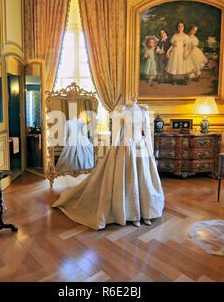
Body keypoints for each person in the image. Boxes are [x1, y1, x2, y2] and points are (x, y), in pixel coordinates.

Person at [52, 97, 165, 230]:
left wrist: (150, 151)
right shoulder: (121, 111)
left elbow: (147, 132)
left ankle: (146, 212)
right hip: (126, 148)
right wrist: (113, 149)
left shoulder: (143, 111)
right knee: (128, 180)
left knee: (143, 179)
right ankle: (132, 214)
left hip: (141, 147)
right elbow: (117, 134)